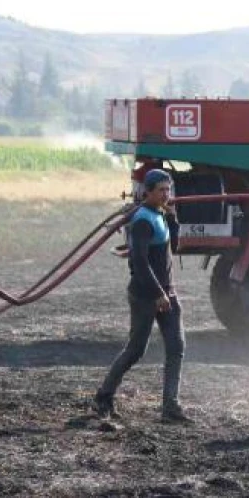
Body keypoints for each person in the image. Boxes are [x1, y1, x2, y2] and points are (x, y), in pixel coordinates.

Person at [94, 169, 191, 423]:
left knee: (176, 347)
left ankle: (170, 407)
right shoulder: (143, 221)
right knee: (136, 350)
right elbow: (139, 261)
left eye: (168, 190)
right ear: (147, 192)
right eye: (161, 190)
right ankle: (103, 397)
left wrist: (173, 220)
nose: (166, 195)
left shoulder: (160, 215)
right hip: (146, 295)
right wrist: (158, 294)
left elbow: (174, 248)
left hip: (166, 293)